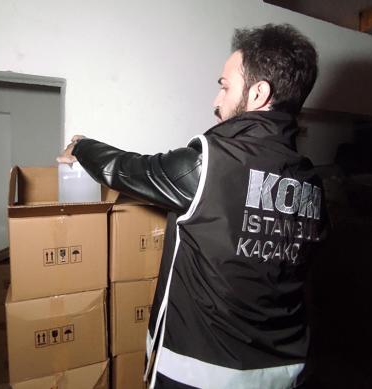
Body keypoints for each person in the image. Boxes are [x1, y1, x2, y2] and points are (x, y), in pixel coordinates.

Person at [58, 23, 327, 388]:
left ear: (258, 93)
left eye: (225, 87)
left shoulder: (211, 163)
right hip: (284, 371)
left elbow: (127, 170)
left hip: (200, 371)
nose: (216, 101)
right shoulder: (312, 183)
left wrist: (82, 145)